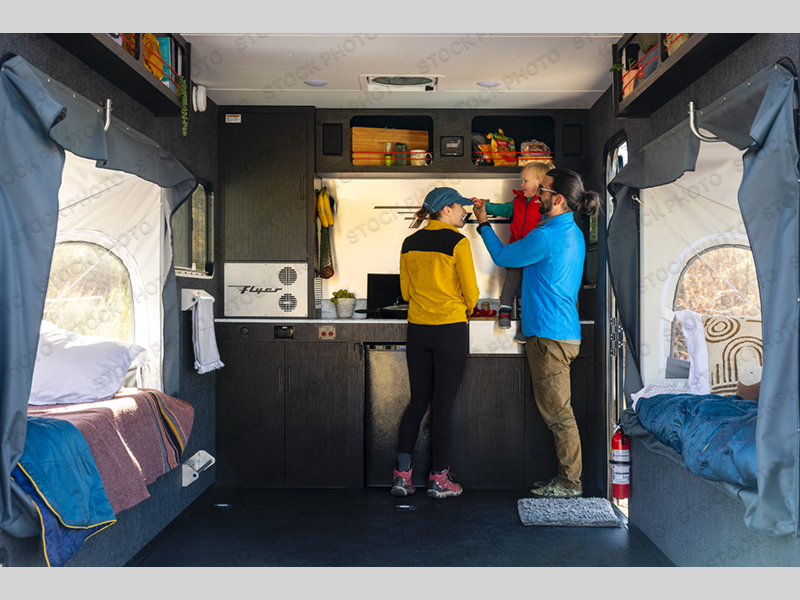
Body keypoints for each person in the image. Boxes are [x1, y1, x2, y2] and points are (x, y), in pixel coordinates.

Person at [473, 168, 601, 499]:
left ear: (557, 199)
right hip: (562, 331)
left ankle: (570, 483)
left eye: (542, 190)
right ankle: (566, 478)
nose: (536, 195)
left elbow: (503, 256)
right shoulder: (572, 232)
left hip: (548, 336)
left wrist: (483, 223)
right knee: (559, 412)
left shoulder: (545, 236)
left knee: (559, 415)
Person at [392, 187, 479, 499]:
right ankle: (439, 479)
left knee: (418, 401)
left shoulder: (409, 243)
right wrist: (463, 308)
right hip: (450, 330)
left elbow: (405, 293)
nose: (464, 212)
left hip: (418, 330)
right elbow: (472, 294)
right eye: (460, 207)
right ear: (446, 210)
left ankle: (402, 477)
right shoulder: (458, 242)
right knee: (442, 406)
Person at [472, 161, 554, 343]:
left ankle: (525, 327)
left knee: (529, 292)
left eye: (525, 181)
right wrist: (485, 205)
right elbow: (503, 208)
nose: (521, 185)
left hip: (535, 255)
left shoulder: (544, 205)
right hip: (517, 251)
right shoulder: (518, 201)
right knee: (511, 282)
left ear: (540, 182)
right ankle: (504, 312)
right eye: (521, 181)